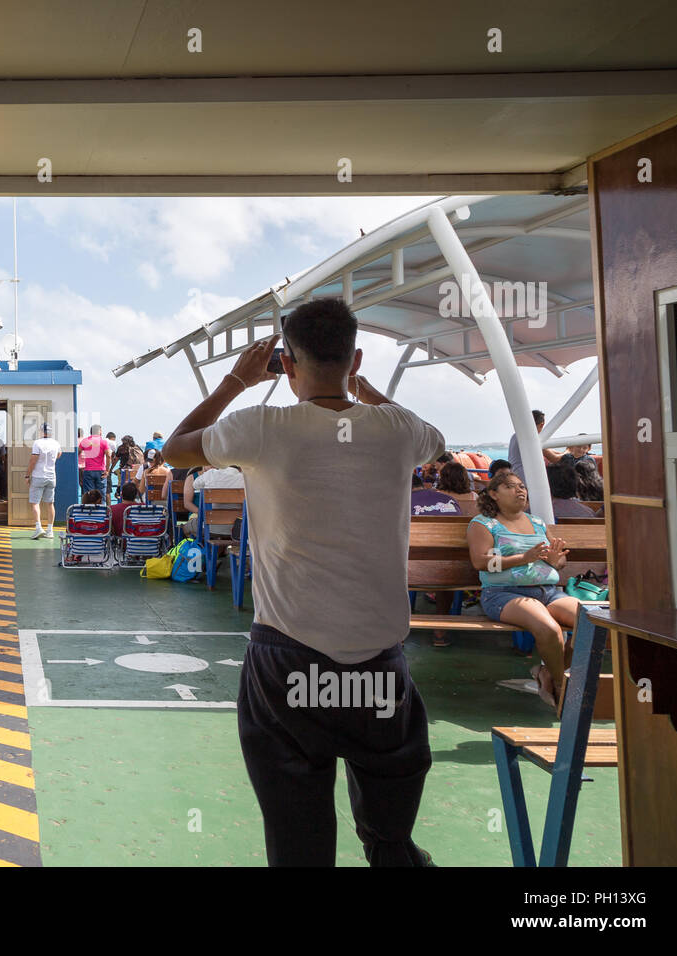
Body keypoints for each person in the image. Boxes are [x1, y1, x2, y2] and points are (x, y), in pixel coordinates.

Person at [162, 297, 445, 867]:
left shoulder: (262, 426)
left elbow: (175, 450)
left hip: (289, 663)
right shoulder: (396, 430)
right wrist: (360, 390)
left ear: (286, 365)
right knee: (392, 842)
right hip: (379, 668)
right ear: (356, 358)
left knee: (298, 847)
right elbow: (431, 437)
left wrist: (235, 382)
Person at [467, 471, 580, 707]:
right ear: (493, 494)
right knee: (549, 629)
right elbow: (481, 562)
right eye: (510, 486)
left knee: (590, 622)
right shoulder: (484, 524)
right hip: (505, 593)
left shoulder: (537, 522)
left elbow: (557, 562)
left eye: (521, 486)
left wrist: (555, 560)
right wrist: (523, 558)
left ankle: (548, 673)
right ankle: (561, 687)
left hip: (548, 592)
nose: (520, 490)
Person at [180, 464, 245, 538]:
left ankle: (191, 548)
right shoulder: (244, 478)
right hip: (237, 530)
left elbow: (195, 485)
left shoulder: (211, 473)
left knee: (185, 528)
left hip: (210, 528)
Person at [506, 410, 562, 485]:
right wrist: (569, 451)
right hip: (525, 478)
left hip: (515, 475)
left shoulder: (516, 435)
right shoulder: (531, 437)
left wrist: (564, 452)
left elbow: (549, 451)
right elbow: (554, 458)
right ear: (542, 424)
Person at [26, 421, 61, 539]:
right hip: (51, 476)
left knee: (35, 503)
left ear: (41, 432)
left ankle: (38, 528)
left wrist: (27, 475)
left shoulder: (37, 443)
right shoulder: (56, 443)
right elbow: (59, 454)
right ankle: (50, 530)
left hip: (38, 476)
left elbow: (33, 460)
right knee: (50, 503)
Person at [78, 424, 111, 497]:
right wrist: (107, 470)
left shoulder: (85, 441)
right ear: (99, 432)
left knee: (89, 495)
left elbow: (78, 453)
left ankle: (90, 508)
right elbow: (108, 455)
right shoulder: (103, 442)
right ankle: (101, 508)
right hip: (101, 471)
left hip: (88, 470)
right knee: (101, 494)